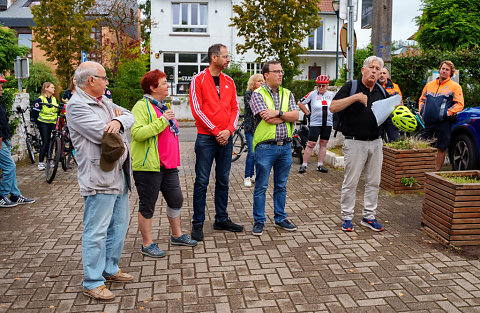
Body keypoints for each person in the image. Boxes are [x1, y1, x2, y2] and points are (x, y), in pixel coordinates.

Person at [66, 61, 135, 301]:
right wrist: (116, 126)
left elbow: (130, 116)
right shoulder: (77, 106)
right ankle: (92, 281)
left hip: (120, 175)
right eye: (104, 78)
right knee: (96, 231)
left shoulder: (103, 101)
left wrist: (118, 121)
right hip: (99, 177)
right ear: (91, 80)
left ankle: (110, 269)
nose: (107, 82)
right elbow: (105, 136)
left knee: (118, 226)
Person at [131, 69, 197, 258]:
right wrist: (162, 121)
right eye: (164, 83)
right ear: (152, 87)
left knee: (176, 199)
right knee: (148, 205)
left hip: (168, 165)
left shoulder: (160, 106)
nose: (168, 85)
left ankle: (176, 235)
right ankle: (147, 244)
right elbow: (137, 134)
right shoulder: (141, 106)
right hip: (149, 166)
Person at [189, 43, 243, 241]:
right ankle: (197, 223)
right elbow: (197, 109)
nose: (228, 59)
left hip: (226, 138)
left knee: (223, 180)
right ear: (214, 57)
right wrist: (216, 131)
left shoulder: (229, 81)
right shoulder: (198, 80)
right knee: (201, 181)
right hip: (206, 138)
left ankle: (221, 218)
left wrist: (228, 131)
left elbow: (235, 109)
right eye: (226, 56)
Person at [330, 56, 388, 233]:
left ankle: (368, 216)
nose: (374, 71)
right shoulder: (351, 87)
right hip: (355, 143)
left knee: (374, 182)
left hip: (376, 142)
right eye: (371, 67)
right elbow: (333, 107)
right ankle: (347, 217)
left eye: (378, 69)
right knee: (351, 182)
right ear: (363, 70)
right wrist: (354, 98)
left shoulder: (381, 91)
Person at [249, 60, 299, 236]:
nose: (280, 74)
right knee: (261, 186)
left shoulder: (287, 94)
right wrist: (287, 116)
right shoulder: (258, 94)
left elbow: (296, 116)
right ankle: (259, 221)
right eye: (276, 71)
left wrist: (278, 113)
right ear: (266, 75)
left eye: (282, 71)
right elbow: (266, 118)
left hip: (285, 146)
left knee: (281, 186)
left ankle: (280, 218)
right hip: (265, 147)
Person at [419, 60, 464, 171]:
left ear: (451, 73)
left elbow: (459, 104)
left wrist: (448, 113)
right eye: (442, 68)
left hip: (444, 122)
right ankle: (423, 170)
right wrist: (422, 111)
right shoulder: (429, 85)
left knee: (441, 147)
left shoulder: (455, 87)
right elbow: (422, 99)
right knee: (423, 145)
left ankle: (436, 171)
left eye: (447, 70)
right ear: (439, 70)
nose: (444, 71)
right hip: (428, 121)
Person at [0, 75, 35, 207]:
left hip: (5, 139)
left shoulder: (0, 101)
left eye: (2, 85)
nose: (2, 87)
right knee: (10, 166)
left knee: (10, 168)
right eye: (0, 85)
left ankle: (14, 194)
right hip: (1, 141)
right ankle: (1, 194)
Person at [297, 75, 335, 174]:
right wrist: (307, 113)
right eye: (319, 86)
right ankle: (304, 165)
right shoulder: (312, 94)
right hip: (315, 123)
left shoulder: (331, 94)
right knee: (311, 144)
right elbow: (300, 103)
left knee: (323, 143)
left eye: (323, 85)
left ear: (327, 85)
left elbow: (337, 105)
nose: (321, 87)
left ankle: (320, 165)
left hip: (328, 123)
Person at [243, 74, 264, 187]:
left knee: (258, 153)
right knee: (251, 152)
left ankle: (252, 175)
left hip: (260, 128)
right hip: (250, 127)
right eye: (259, 81)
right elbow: (253, 108)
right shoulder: (249, 94)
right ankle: (247, 176)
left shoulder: (263, 94)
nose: (261, 83)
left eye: (262, 81)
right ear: (253, 83)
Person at [32, 82, 59, 171]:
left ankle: (49, 160)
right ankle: (40, 162)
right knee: (46, 142)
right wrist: (38, 124)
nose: (54, 89)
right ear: (46, 88)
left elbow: (57, 110)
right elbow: (35, 113)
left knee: (52, 141)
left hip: (53, 123)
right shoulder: (40, 100)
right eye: (52, 87)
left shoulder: (54, 99)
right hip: (43, 123)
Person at [378, 67, 402, 142]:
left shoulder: (395, 87)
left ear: (388, 75)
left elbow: (400, 103)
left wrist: (398, 118)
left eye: (384, 73)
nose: (382, 75)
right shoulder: (374, 86)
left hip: (392, 118)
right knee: (377, 141)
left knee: (394, 141)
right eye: (380, 73)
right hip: (379, 118)